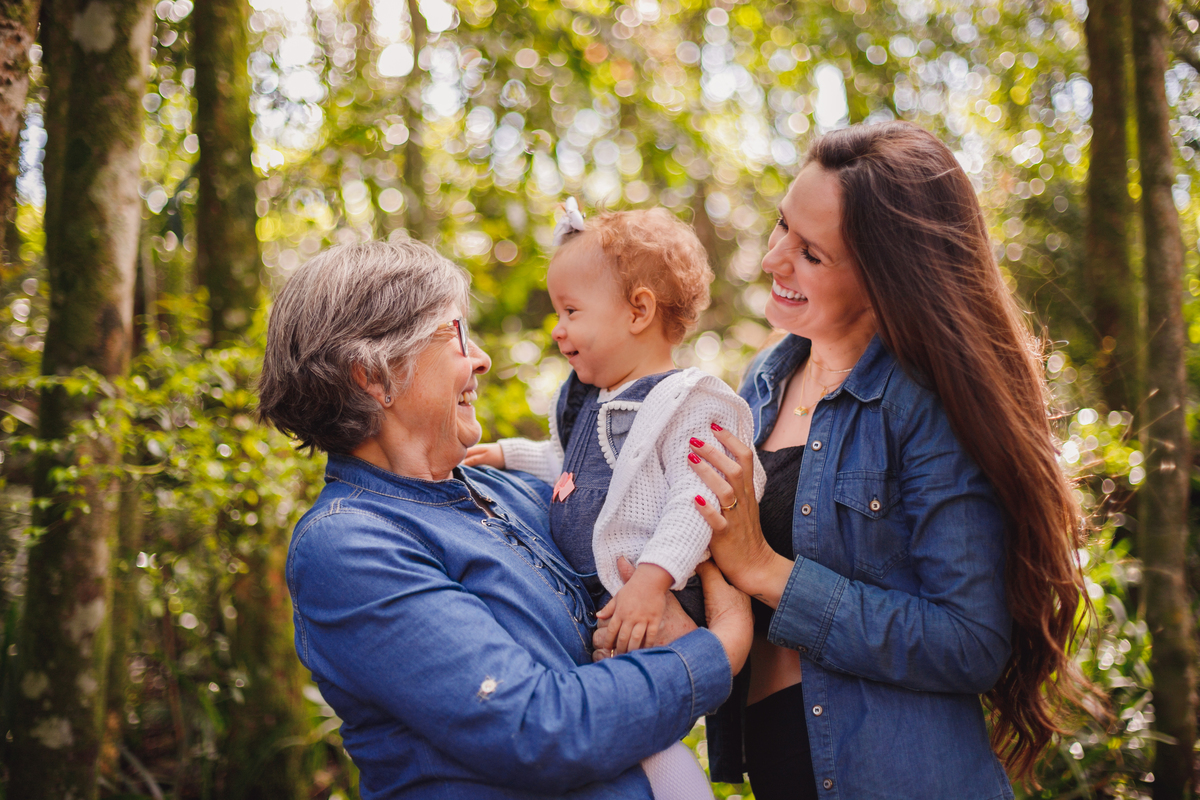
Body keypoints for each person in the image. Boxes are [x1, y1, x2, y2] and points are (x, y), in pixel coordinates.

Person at [602, 121, 1092, 799]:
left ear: (886, 277)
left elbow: (971, 641)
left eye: (811, 254)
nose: (774, 258)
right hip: (782, 773)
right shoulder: (760, 386)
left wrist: (768, 572)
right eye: (782, 226)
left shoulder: (924, 404)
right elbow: (729, 588)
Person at [256, 239, 753, 799]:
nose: (481, 360)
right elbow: (538, 730)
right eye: (456, 335)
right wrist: (718, 651)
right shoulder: (349, 543)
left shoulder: (511, 492)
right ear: (373, 375)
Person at [464, 203, 765, 799]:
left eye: (571, 312)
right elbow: (568, 467)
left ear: (639, 311)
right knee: (625, 738)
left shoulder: (690, 401)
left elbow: (697, 496)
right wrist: (505, 454)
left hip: (658, 595)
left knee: (646, 732)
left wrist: (653, 580)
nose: (557, 329)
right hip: (608, 598)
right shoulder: (587, 401)